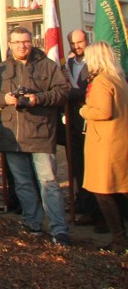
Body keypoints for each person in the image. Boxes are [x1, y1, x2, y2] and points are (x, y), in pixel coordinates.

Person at [0, 26, 71, 246]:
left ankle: (59, 229)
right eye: (17, 42)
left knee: (49, 183)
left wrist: (38, 99)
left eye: (25, 41)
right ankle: (32, 224)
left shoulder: (48, 66)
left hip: (41, 134)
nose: (22, 46)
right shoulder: (1, 69)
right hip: (12, 137)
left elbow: (63, 92)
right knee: (23, 184)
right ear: (10, 44)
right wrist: (4, 98)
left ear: (31, 42)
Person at [78, 41, 128, 253]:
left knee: (104, 193)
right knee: (119, 191)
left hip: (105, 144)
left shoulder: (102, 81)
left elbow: (102, 111)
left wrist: (84, 110)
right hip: (118, 141)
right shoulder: (120, 79)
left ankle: (119, 240)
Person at [63, 29, 99, 225]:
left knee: (93, 167)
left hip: (92, 120)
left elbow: (89, 91)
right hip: (74, 122)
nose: (77, 46)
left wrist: (70, 93)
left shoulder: (96, 62)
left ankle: (98, 213)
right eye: (73, 43)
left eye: (80, 42)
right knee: (77, 167)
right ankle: (84, 204)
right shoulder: (68, 64)